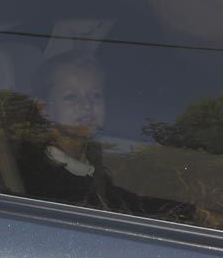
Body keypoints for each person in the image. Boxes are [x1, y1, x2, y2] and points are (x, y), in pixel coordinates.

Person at [20, 51, 195, 220]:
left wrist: (193, 211)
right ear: (44, 109)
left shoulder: (89, 161)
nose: (86, 105)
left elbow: (121, 200)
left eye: (95, 95)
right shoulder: (43, 179)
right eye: (71, 97)